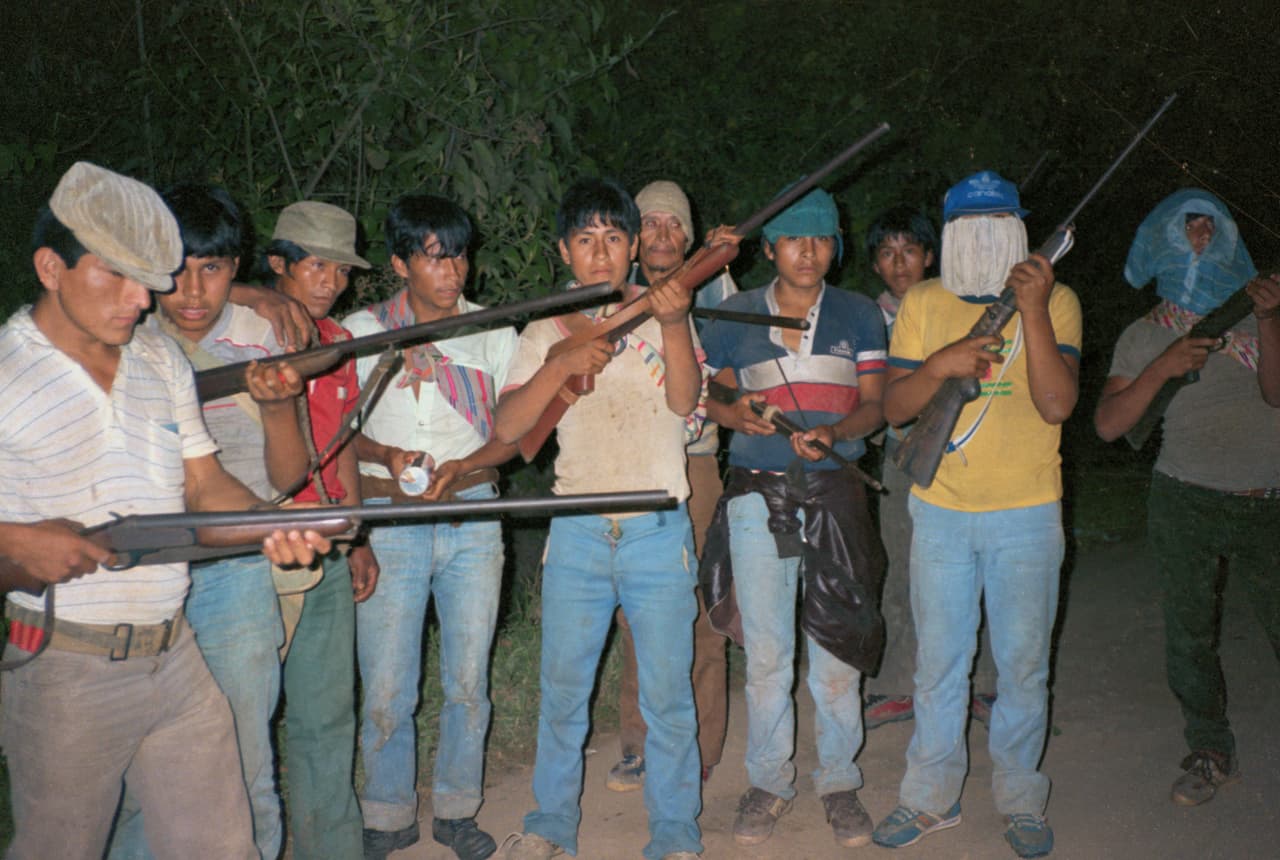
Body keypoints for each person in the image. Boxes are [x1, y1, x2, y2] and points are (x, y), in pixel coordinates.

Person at [0, 161, 328, 859]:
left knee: (222, 843)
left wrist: (270, 527)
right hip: (68, 668)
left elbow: (206, 488)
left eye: (145, 279)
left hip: (175, 657)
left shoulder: (159, 361)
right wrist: (16, 540)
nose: (138, 300)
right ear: (51, 267)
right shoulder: (8, 374)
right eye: (114, 276)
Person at [110, 183, 338, 860]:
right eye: (175, 268)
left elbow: (289, 476)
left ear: (236, 267)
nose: (192, 289)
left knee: (243, 763)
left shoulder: (265, 335)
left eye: (212, 269)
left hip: (236, 568)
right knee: (133, 778)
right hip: (140, 575)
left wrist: (273, 406)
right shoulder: (123, 332)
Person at [872, 171, 1080, 859]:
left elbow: (1057, 404)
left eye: (1002, 222)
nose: (987, 235)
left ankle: (1021, 799)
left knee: (1023, 667)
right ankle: (930, 797)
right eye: (972, 225)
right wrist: (942, 364)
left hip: (1027, 512)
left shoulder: (1061, 301)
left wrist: (1035, 309)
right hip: (940, 512)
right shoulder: (923, 303)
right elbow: (896, 409)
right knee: (939, 662)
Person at [497, 177, 704, 860]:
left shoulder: (663, 309)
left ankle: (675, 832)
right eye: (585, 240)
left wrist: (672, 323)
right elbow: (508, 428)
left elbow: (684, 403)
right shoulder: (542, 329)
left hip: (656, 530)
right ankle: (551, 825)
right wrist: (560, 362)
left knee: (668, 700)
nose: (600, 252)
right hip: (579, 533)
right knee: (563, 695)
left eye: (614, 237)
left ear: (635, 245)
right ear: (564, 249)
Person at [697, 188, 887, 849]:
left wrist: (837, 432)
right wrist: (735, 413)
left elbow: (873, 405)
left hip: (835, 490)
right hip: (760, 494)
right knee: (770, 649)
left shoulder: (860, 314)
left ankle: (839, 782)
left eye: (821, 239)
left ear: (836, 245)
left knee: (836, 643)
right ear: (770, 247)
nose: (808, 252)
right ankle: (768, 781)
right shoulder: (736, 312)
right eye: (794, 240)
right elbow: (714, 392)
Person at [344, 193, 517, 860]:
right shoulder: (363, 331)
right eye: (433, 258)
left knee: (468, 680)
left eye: (459, 256)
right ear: (399, 264)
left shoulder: (494, 330)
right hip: (389, 519)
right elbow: (334, 431)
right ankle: (387, 816)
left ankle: (456, 808)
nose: (452, 272)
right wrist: (384, 456)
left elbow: (512, 429)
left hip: (473, 516)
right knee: (387, 683)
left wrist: (468, 465)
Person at [1094, 188, 1280, 808]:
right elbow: (1109, 425)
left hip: (1267, 497)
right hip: (1184, 498)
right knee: (1189, 638)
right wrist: (1164, 366)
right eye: (1185, 222)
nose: (1199, 231)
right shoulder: (1145, 334)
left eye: (1210, 221)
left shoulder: (1258, 312)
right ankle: (1210, 748)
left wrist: (1272, 319)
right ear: (1163, 237)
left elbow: (1277, 395)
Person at [263, 200, 382, 859]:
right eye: (315, 265)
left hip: (331, 544)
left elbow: (346, 444)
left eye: (340, 269)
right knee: (244, 722)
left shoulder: (340, 344)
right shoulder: (242, 340)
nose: (330, 280)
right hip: (262, 551)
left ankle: (331, 848)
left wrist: (357, 538)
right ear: (278, 264)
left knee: (328, 715)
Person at [607, 180, 729, 793]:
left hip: (695, 466)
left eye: (672, 226)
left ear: (688, 235)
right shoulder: (611, 290)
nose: (661, 235)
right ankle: (639, 745)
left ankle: (702, 748)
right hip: (628, 470)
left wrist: (718, 257)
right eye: (649, 224)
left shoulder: (715, 288)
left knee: (703, 612)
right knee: (638, 614)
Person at [861, 205, 999, 731]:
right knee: (900, 568)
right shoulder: (869, 318)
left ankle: (982, 686)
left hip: (965, 450)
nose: (900, 263)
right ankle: (897, 686)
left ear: (931, 256)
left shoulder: (960, 306)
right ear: (875, 264)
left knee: (975, 570)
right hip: (900, 453)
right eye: (887, 253)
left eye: (910, 251)